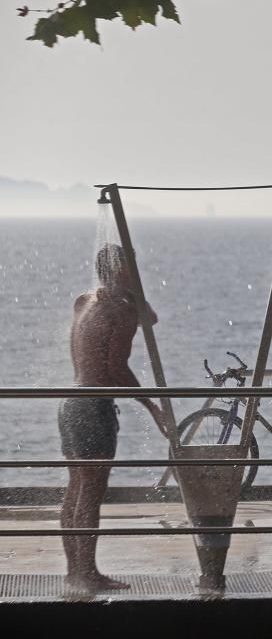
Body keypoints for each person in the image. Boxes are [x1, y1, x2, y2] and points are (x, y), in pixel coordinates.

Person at [61, 243, 168, 591]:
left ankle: (75, 570)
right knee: (90, 493)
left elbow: (149, 318)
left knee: (76, 488)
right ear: (121, 268)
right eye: (132, 263)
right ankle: (87, 573)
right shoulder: (120, 312)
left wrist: (131, 290)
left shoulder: (85, 300)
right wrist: (152, 407)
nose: (137, 267)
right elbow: (116, 368)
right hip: (94, 407)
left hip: (72, 401)